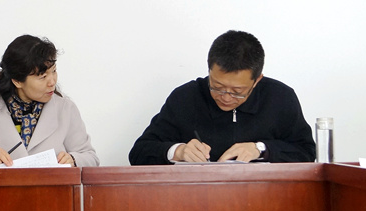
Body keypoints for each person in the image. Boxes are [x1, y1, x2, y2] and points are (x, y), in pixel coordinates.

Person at [129, 30, 315, 165]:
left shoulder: (280, 98)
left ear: (257, 80)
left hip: (264, 199)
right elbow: (138, 153)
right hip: (197, 200)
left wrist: (260, 149)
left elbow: (306, 152)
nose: (226, 97)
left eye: (237, 91)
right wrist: (178, 151)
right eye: (217, 87)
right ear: (209, 70)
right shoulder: (185, 97)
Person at [0, 35, 99, 169]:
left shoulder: (65, 109)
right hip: (0, 193)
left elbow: (90, 157)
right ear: (17, 81)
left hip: (51, 193)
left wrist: (73, 159)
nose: (52, 81)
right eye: (42, 77)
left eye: (54, 71)